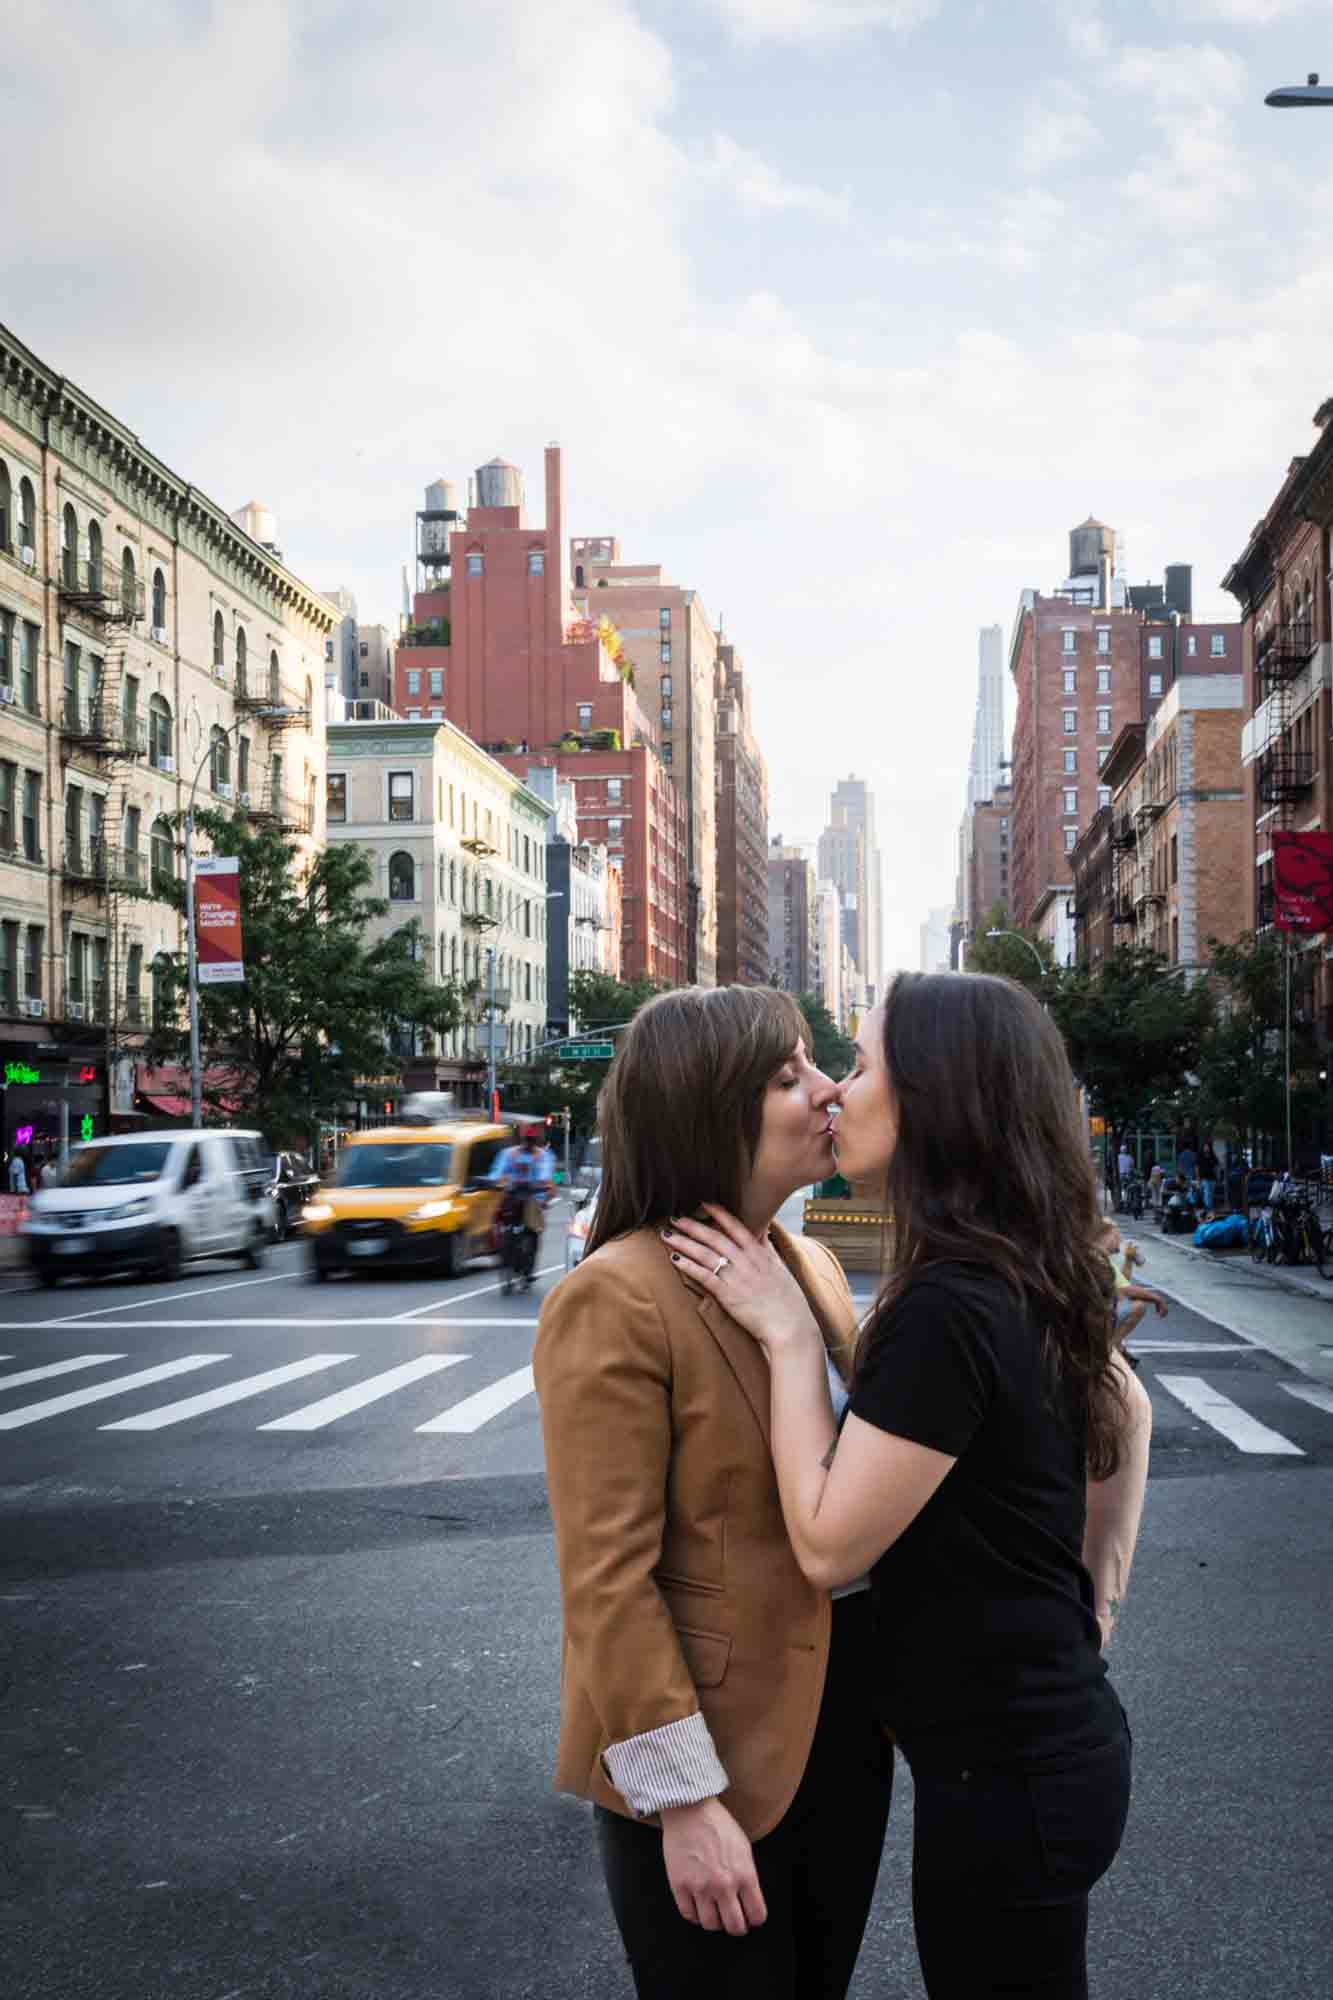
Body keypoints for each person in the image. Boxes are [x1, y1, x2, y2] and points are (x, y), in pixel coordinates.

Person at [664, 971, 1152, 2000]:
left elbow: (830, 1543)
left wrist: (792, 1336)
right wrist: (1094, 1595)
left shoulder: (948, 1303)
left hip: (1006, 1783)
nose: (836, 1090)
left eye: (863, 1063)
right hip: (1046, 1752)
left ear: (937, 1098)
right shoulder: (1015, 1263)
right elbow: (1125, 1406)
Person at [534, 987, 892, 1998]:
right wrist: (683, 1803)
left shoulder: (810, 1260)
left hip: (839, 1731)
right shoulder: (616, 1294)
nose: (827, 1091)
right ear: (708, 1109)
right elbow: (606, 1577)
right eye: (787, 1077)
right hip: (708, 1759)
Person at [488, 1126, 556, 1288]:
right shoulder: (508, 1154)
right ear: (521, 1140)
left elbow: (545, 1177)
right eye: (526, 1140)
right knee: (499, 1222)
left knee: (533, 1230)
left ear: (536, 1141)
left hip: (532, 1198)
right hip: (511, 1196)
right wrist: (495, 1182)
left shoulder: (544, 1156)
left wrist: (542, 1186)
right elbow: (496, 1174)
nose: (529, 1143)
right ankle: (501, 1250)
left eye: (532, 1140)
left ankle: (529, 1269)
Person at [1101, 1221, 1168, 1345]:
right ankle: (1110, 1348)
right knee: (1138, 1306)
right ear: (1105, 1237)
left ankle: (1114, 1345)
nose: (1119, 1241)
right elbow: (1127, 1290)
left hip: (1095, 1312)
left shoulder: (1104, 1258)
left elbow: (1122, 1283)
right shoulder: (1100, 1259)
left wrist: (1128, 1260)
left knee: (1122, 1300)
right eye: (1116, 1236)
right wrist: (1157, 1298)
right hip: (1095, 1315)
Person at [1197, 1141, 1220, 1213]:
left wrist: (1218, 1176)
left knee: (1211, 1194)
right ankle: (1208, 1208)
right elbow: (1197, 1167)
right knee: (1207, 1193)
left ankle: (1208, 1208)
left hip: (1212, 1177)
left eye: (1208, 1147)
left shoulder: (1213, 1156)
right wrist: (1198, 1178)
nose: (1207, 1148)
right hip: (1204, 1178)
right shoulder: (1200, 1156)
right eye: (1205, 1147)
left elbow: (1216, 1167)